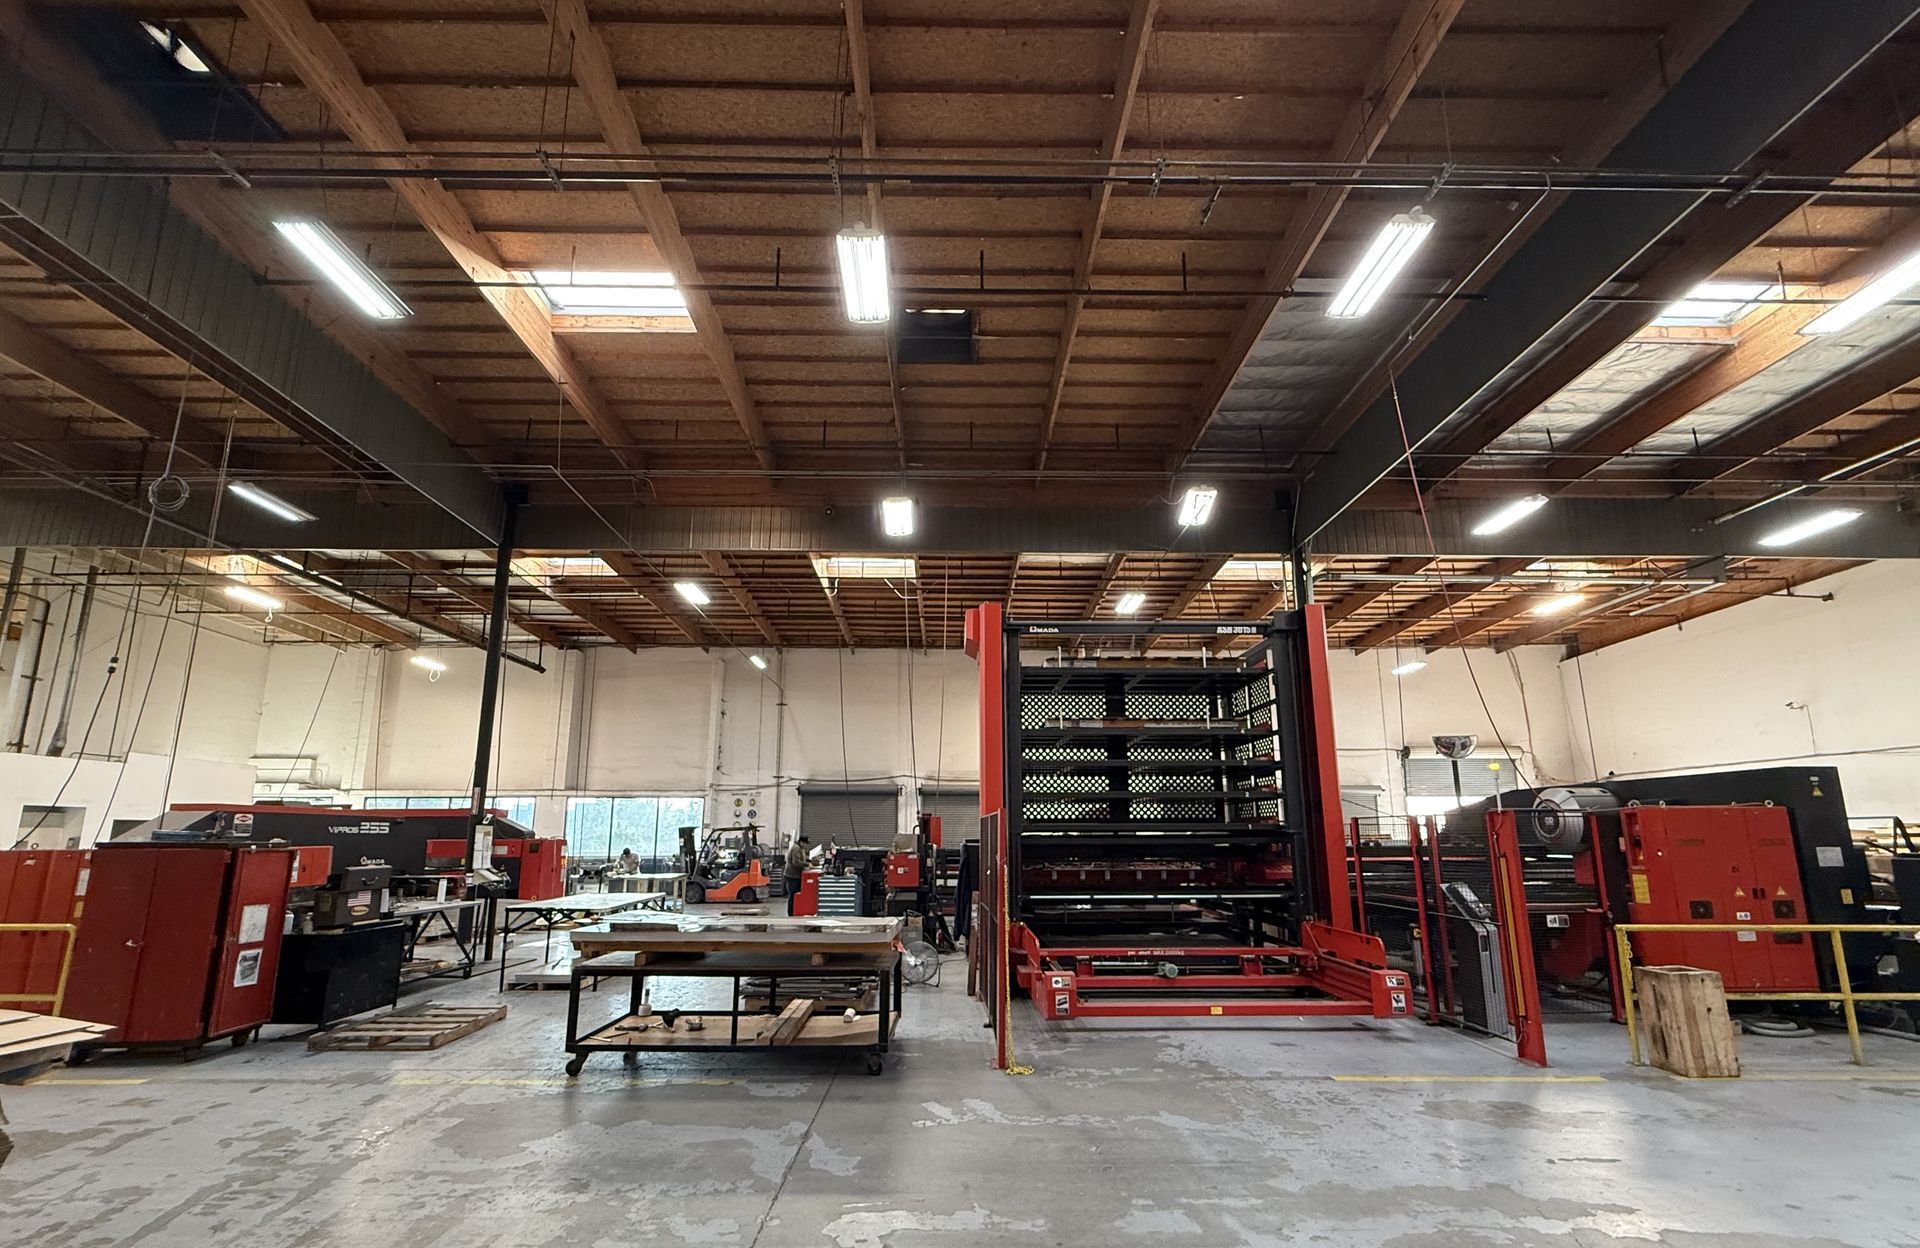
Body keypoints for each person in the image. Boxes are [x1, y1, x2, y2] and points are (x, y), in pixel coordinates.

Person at [785, 835, 812, 915]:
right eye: (805, 843)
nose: (806, 845)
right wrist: (807, 864)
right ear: (801, 842)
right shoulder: (796, 848)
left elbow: (801, 858)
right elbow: (795, 862)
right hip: (792, 876)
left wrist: (809, 861)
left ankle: (794, 912)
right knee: (793, 896)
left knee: (795, 895)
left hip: (796, 875)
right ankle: (791, 914)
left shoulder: (800, 848)